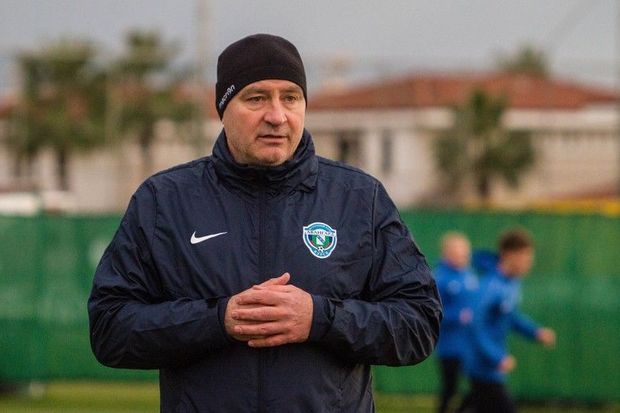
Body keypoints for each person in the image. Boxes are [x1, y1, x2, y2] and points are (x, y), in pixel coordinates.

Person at [87, 33, 443, 412]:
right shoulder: (164, 201)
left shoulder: (359, 199)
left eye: (290, 97)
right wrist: (218, 320)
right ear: (223, 109)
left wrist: (320, 318)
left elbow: (419, 322)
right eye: (256, 98)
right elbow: (110, 328)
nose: (277, 116)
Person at [459, 228, 556, 413]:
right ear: (509, 255)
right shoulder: (490, 285)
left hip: (491, 369)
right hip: (482, 366)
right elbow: (473, 324)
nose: (529, 263)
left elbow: (510, 316)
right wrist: (496, 356)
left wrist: (535, 332)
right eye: (525, 258)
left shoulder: (511, 283)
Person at [433, 232, 478, 413]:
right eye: (458, 252)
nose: (462, 256)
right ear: (447, 253)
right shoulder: (439, 278)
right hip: (449, 346)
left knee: (480, 386)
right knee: (450, 389)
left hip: (471, 345)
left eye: (465, 252)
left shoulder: (470, 276)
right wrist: (458, 316)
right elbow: (434, 314)